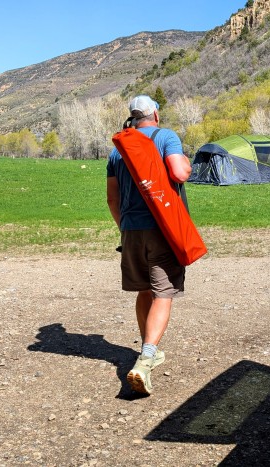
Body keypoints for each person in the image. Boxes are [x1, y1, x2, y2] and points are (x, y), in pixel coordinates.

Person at [106, 95, 192, 395]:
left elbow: (112, 198)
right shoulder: (166, 136)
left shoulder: (118, 149)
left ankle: (148, 349)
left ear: (133, 117)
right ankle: (146, 359)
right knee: (163, 292)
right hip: (162, 227)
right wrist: (187, 164)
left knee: (144, 290)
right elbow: (179, 173)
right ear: (155, 114)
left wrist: (125, 227)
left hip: (130, 229)